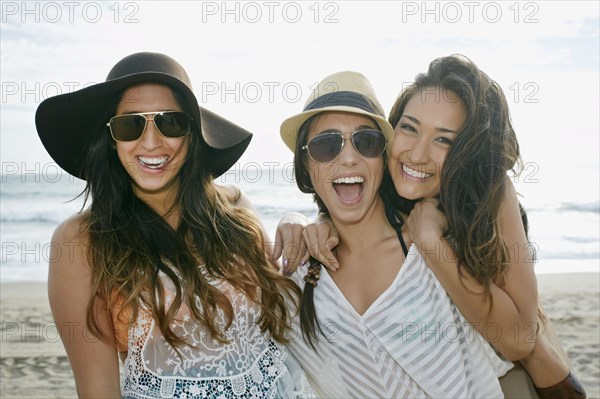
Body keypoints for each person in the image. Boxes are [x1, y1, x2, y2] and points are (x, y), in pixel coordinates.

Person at [283, 55, 586, 398]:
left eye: (443, 139)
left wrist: (431, 242)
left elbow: (520, 340)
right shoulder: (378, 191)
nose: (416, 154)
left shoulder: (487, 192)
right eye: (409, 128)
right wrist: (302, 221)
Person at [36, 52, 310, 398]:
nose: (151, 142)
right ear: (111, 137)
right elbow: (98, 392)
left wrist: (297, 219)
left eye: (170, 122)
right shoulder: (81, 241)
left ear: (193, 134)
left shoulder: (234, 206)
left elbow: (279, 301)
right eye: (130, 125)